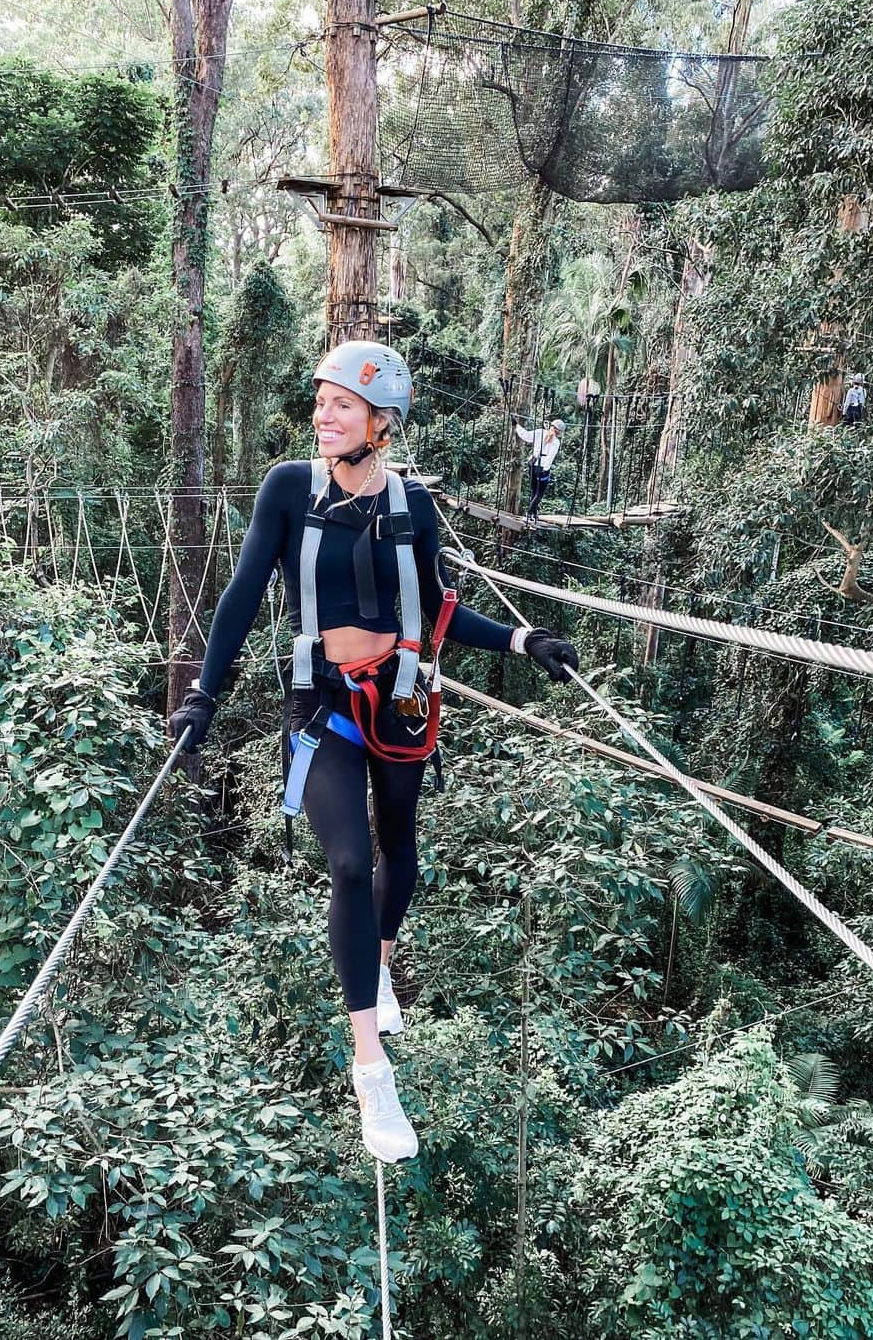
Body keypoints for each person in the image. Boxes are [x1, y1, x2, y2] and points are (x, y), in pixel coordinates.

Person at [169, 343, 578, 1163]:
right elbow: (244, 597)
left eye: (341, 405)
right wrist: (202, 698)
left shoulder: (412, 505)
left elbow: (437, 610)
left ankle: (380, 962)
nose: (323, 415)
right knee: (349, 863)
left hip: (398, 700)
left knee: (401, 845)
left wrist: (522, 638)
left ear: (380, 423)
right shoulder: (289, 490)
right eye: (319, 401)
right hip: (321, 704)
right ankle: (370, 1066)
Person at [519, 418, 565, 521]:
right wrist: (545, 469)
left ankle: (533, 514)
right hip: (542, 467)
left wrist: (516, 426)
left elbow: (526, 436)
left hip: (532, 464)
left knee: (534, 491)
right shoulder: (556, 442)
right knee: (539, 493)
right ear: (559, 432)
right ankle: (529, 513)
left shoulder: (540, 432)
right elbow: (550, 457)